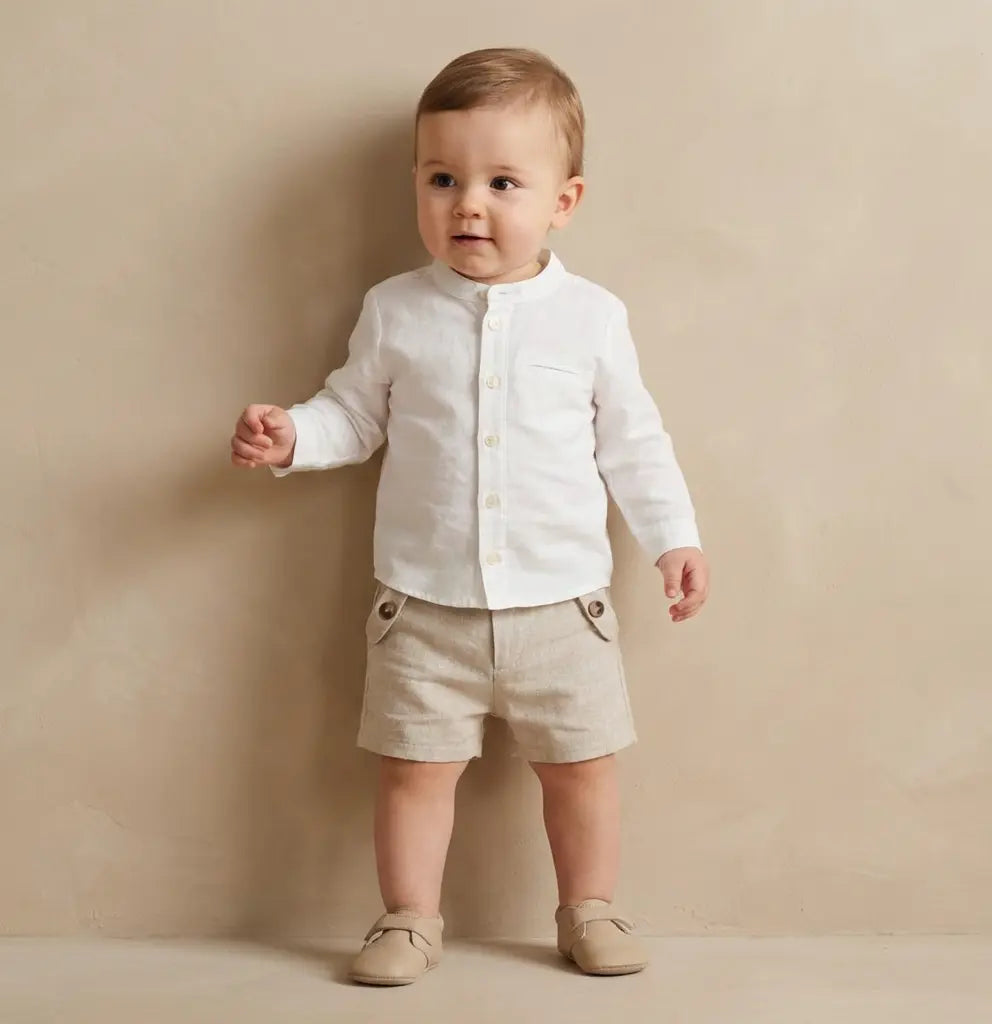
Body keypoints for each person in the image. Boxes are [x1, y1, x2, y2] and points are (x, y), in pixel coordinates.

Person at [230, 47, 710, 985]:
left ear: (563, 201)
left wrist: (675, 539)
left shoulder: (592, 317)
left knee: (582, 771)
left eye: (501, 182)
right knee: (413, 774)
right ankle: (409, 919)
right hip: (424, 607)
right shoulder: (395, 310)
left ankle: (589, 908)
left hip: (564, 606)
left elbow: (634, 443)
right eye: (442, 179)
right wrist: (292, 436)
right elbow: (355, 414)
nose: (468, 205)